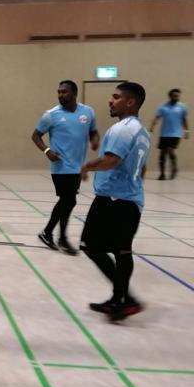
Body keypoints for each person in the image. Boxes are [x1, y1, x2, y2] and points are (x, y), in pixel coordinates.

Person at [79, 82, 150, 322]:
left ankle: (125, 299)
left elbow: (111, 160)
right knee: (122, 251)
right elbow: (143, 169)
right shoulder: (142, 132)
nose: (111, 100)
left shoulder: (123, 129)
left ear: (130, 102)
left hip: (113, 200)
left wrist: (86, 167)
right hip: (132, 200)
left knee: (91, 246)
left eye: (116, 97)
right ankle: (120, 300)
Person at [32, 80, 100, 254]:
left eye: (64, 92)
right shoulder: (51, 115)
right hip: (60, 166)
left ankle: (54, 235)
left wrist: (95, 140)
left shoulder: (88, 112)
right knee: (68, 200)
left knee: (68, 201)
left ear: (74, 93)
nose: (60, 95)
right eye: (59, 92)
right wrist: (47, 150)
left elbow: (93, 131)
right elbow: (36, 136)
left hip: (78, 167)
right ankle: (55, 235)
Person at [149, 88, 188, 180]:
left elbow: (184, 119)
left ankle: (174, 168)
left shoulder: (182, 107)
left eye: (178, 96)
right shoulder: (163, 107)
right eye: (175, 96)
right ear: (170, 96)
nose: (177, 97)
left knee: (170, 151)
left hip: (176, 134)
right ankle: (162, 174)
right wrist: (152, 126)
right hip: (164, 134)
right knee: (162, 154)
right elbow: (157, 117)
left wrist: (187, 131)